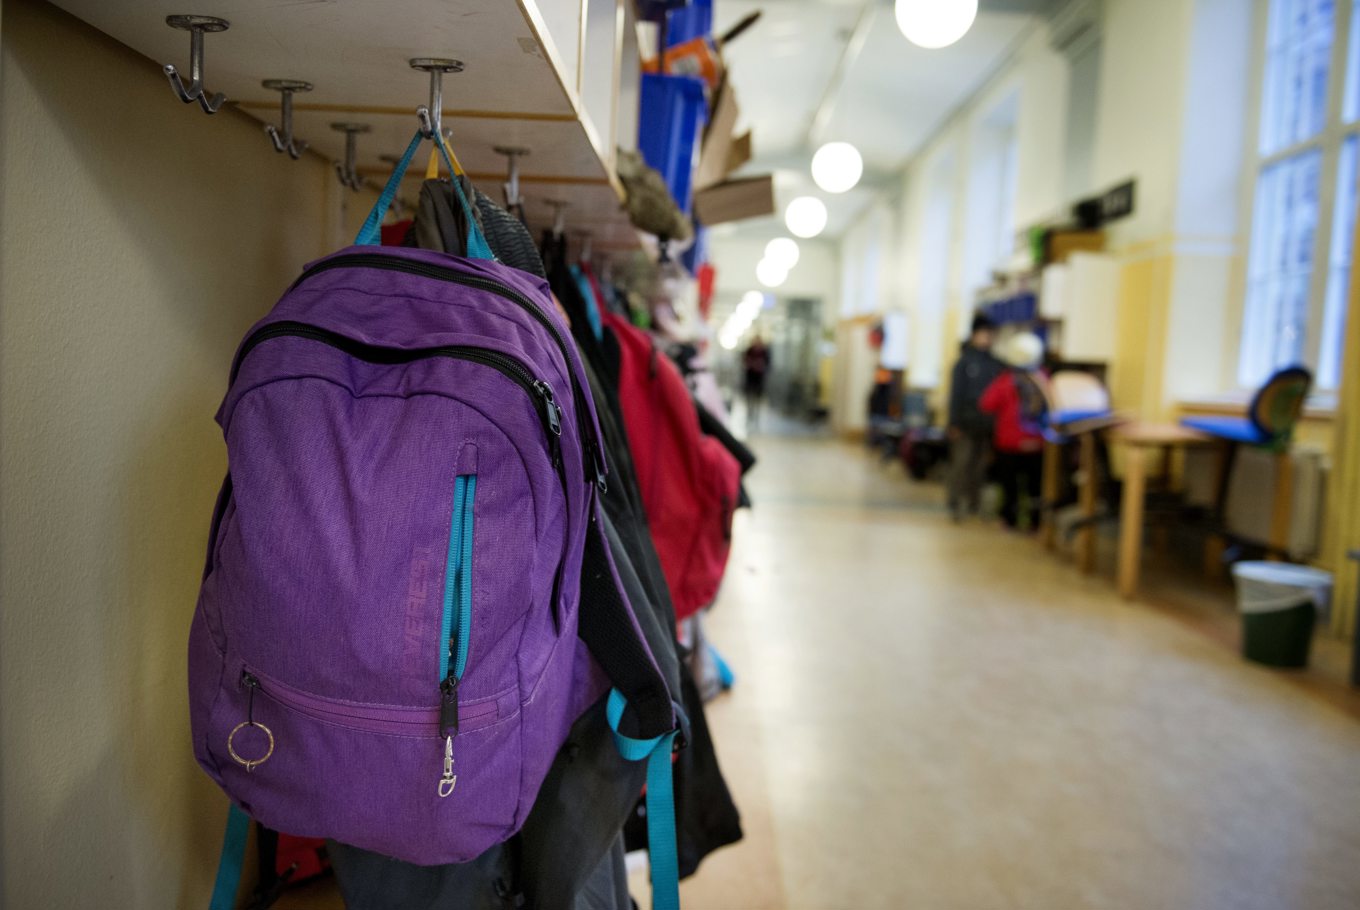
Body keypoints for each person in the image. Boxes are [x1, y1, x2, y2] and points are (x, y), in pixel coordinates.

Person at [979, 332, 1049, 531]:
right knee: (1035, 487)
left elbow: (986, 404)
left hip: (1010, 443)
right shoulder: (1043, 378)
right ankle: (1035, 524)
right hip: (1038, 441)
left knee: (1010, 486)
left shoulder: (1006, 380)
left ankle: (1010, 521)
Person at [946, 314, 1003, 521]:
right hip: (965, 423)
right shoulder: (963, 363)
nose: (987, 338)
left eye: (990, 334)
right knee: (962, 464)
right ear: (974, 335)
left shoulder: (996, 364)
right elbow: (956, 394)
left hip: (986, 425)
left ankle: (974, 503)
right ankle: (955, 502)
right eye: (983, 334)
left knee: (979, 467)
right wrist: (953, 422)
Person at [742, 337, 771, 425]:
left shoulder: (764, 351)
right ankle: (749, 414)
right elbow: (744, 361)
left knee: (757, 398)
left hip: (759, 378)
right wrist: (751, 364)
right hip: (750, 378)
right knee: (749, 397)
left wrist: (760, 365)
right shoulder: (749, 350)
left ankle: (756, 416)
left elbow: (768, 364)